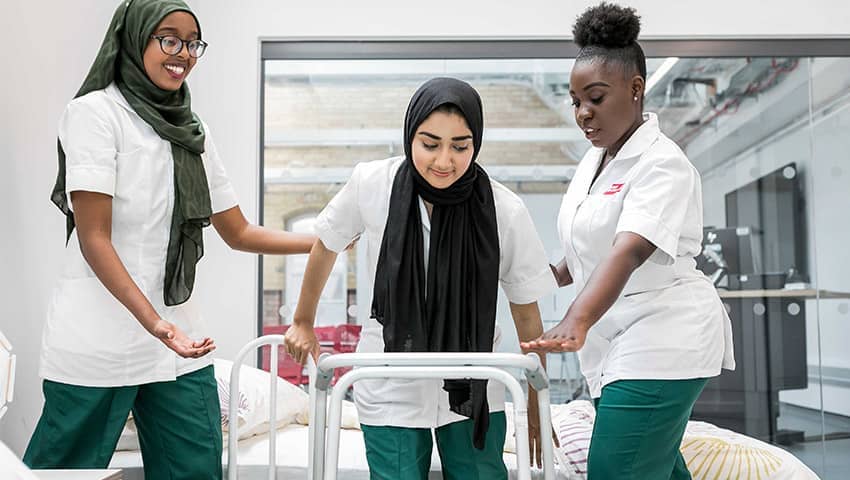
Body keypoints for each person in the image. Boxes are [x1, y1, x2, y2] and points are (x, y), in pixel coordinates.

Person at [24, 1, 314, 478]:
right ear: (134, 39)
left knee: (196, 468)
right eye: (169, 39)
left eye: (192, 42)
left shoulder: (191, 131)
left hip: (178, 343)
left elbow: (237, 232)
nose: (183, 53)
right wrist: (155, 323)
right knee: (63, 471)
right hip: (102, 338)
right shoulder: (94, 114)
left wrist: (323, 242)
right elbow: (94, 236)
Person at [284, 77, 556, 479]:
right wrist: (302, 321)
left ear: (475, 143)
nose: (444, 161)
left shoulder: (503, 208)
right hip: (392, 374)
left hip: (474, 378)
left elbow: (526, 307)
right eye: (430, 144)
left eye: (460, 146)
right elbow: (326, 244)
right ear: (410, 135)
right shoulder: (371, 183)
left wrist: (537, 399)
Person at [521, 3, 735, 479]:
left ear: (636, 88)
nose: (583, 113)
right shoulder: (595, 162)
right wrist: (539, 275)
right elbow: (586, 247)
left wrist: (576, 318)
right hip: (617, 339)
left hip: (665, 333)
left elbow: (629, 248)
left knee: (617, 468)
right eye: (575, 101)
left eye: (595, 98)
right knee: (650, 465)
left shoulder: (663, 163)